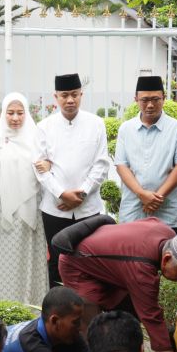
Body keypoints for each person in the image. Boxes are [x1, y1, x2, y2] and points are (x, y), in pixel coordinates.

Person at [56, 216, 177, 352]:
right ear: (166, 258)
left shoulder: (167, 233)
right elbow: (154, 323)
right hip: (77, 266)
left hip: (110, 264)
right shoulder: (141, 271)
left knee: (130, 318)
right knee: (95, 335)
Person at [37, 73, 111, 286]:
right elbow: (40, 168)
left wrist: (82, 193)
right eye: (65, 95)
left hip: (88, 208)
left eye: (74, 95)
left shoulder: (96, 124)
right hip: (54, 208)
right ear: (56, 97)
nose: (70, 100)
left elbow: (101, 164)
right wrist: (62, 194)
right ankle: (58, 313)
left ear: (81, 95)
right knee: (57, 261)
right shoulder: (45, 126)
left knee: (89, 261)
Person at [0, 92, 49, 305]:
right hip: (1, 213)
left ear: (26, 114)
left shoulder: (37, 140)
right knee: (3, 264)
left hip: (31, 213)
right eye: (10, 112)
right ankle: (4, 310)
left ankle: (31, 308)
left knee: (30, 262)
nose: (15, 118)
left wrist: (48, 165)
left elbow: (47, 176)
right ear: (3, 113)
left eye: (20, 113)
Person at [115, 75, 177, 229]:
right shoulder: (126, 129)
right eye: (144, 100)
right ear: (136, 99)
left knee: (166, 252)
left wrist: (157, 198)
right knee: (132, 252)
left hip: (166, 211)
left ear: (164, 98)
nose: (150, 105)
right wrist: (141, 194)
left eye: (156, 99)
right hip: (133, 210)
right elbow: (121, 166)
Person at [2, 286, 94, 352]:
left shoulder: (67, 332)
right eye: (76, 322)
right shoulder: (31, 344)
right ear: (54, 320)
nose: (80, 327)